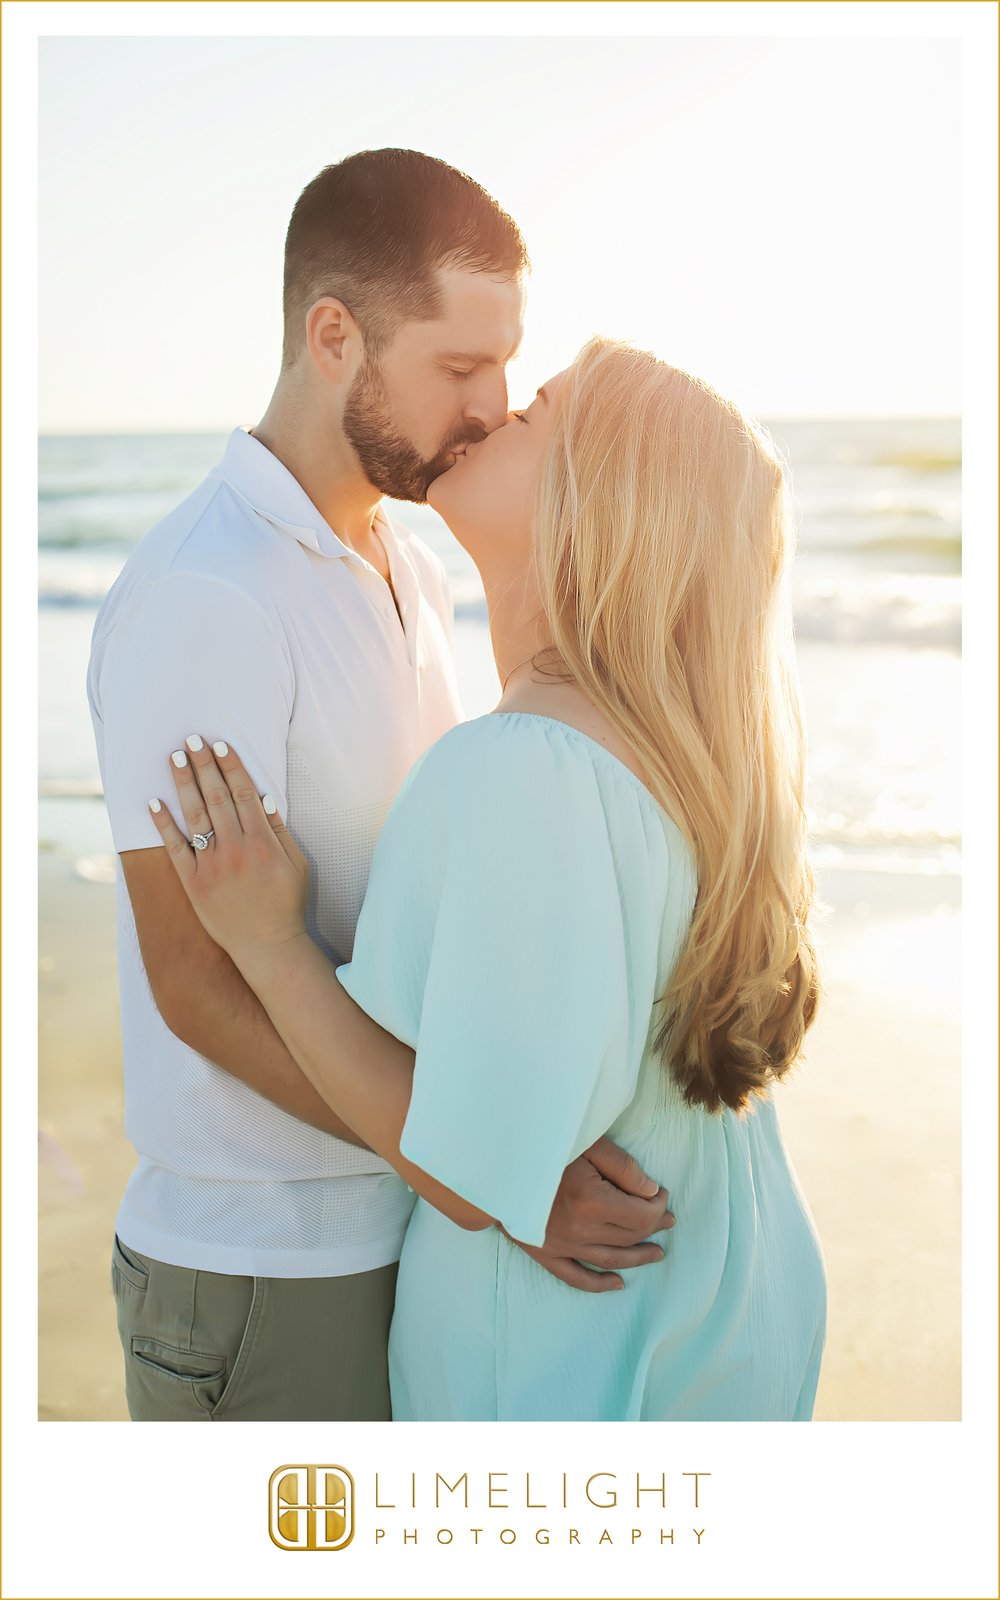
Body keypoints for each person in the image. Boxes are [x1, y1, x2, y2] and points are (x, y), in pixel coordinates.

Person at [87, 152, 673, 1424]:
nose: (491, 405)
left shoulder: (412, 560)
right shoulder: (209, 594)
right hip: (265, 1263)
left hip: (397, 1226)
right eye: (459, 368)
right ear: (334, 335)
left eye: (504, 366)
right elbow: (197, 983)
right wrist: (498, 1169)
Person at [148, 336, 829, 1421]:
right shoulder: (686, 766)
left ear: (599, 501)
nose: (491, 410)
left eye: (536, 411)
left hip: (572, 1364)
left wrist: (270, 944)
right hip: (721, 1320)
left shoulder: (525, 768)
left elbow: (472, 1173)